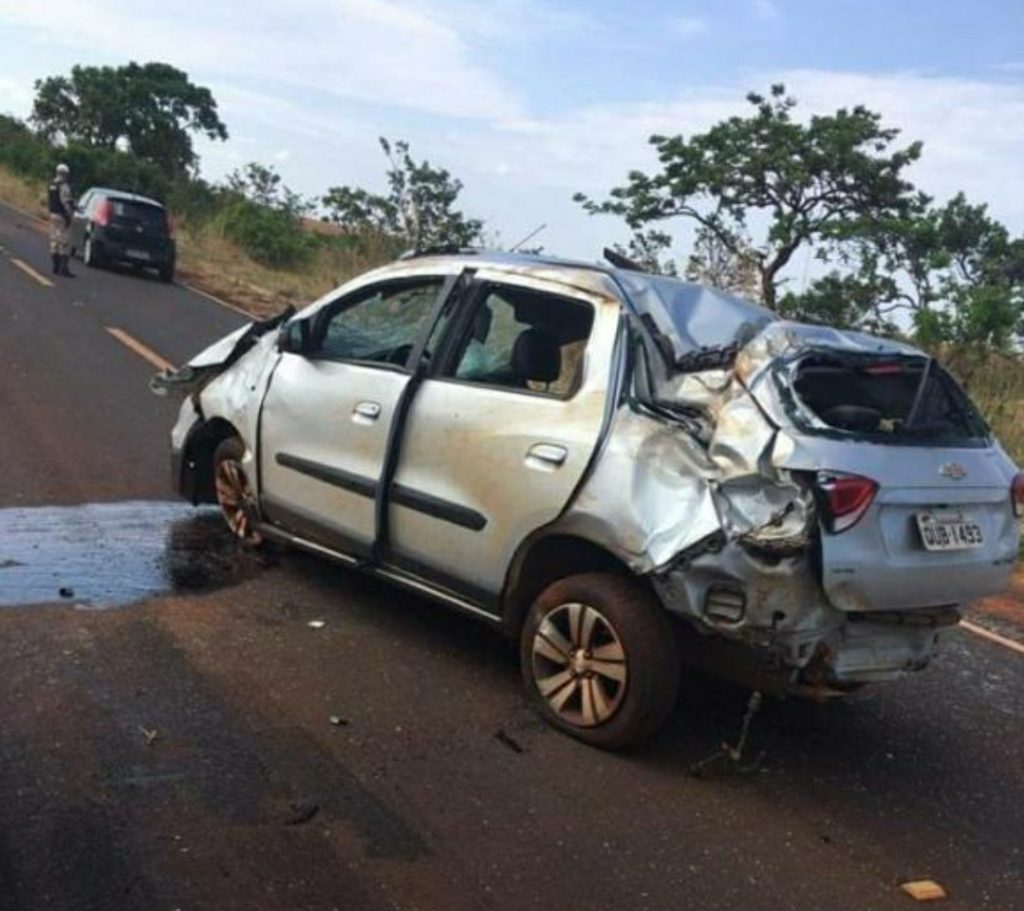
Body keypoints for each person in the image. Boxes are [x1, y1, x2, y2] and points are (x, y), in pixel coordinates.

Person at [48, 163, 75, 277]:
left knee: (54, 240)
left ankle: (55, 266)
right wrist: (69, 216)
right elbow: (65, 202)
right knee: (64, 242)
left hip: (52, 214)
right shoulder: (63, 186)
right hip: (61, 215)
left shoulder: (52, 184)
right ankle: (63, 269)